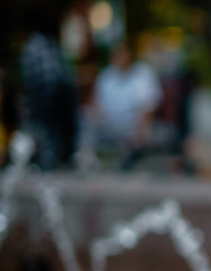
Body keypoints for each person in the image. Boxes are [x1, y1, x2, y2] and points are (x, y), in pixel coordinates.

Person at [83, 41, 162, 171]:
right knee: (85, 119)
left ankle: (130, 160)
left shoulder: (143, 74)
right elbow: (96, 103)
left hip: (134, 125)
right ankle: (86, 162)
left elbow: (149, 107)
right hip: (110, 124)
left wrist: (142, 127)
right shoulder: (106, 76)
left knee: (140, 134)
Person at [19, 10, 79, 170]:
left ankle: (57, 160)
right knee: (49, 131)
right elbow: (49, 77)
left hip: (51, 96)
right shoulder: (38, 44)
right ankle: (50, 162)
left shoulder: (45, 43)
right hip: (47, 96)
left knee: (53, 132)